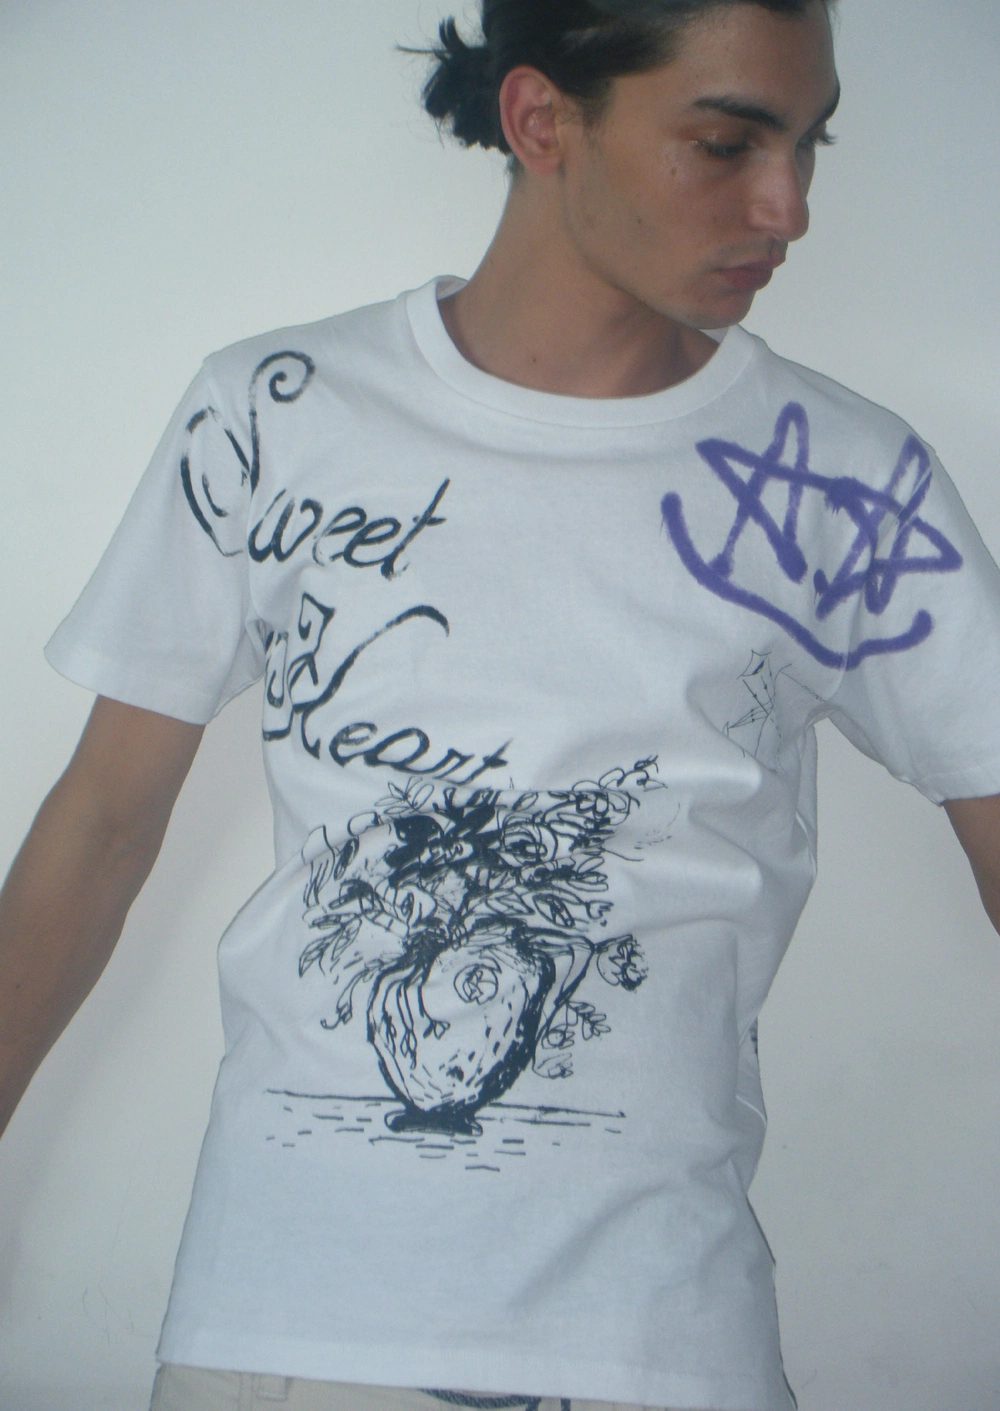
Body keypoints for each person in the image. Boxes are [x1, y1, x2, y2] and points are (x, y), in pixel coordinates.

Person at [2, 2, 999, 1409]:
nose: (790, 208)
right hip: (288, 1330)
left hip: (660, 1339)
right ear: (542, 121)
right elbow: (101, 824)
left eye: (810, 143)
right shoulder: (276, 414)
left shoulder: (847, 482)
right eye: (728, 143)